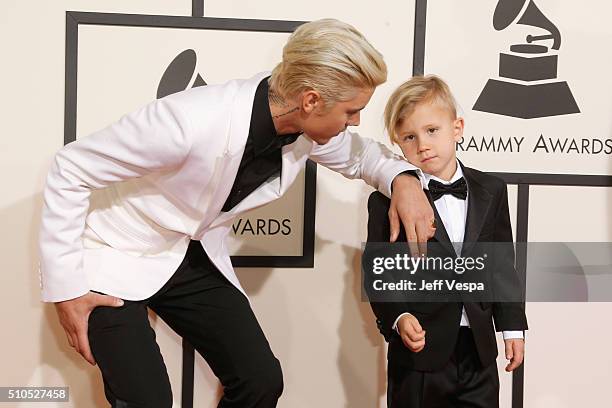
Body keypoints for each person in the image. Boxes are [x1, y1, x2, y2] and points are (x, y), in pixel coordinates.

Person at [38, 19, 436, 407]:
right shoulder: (189, 122)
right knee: (147, 399)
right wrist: (66, 288)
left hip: (188, 252)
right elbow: (71, 167)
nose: (355, 122)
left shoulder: (304, 128)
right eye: (351, 112)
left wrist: (404, 181)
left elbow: (364, 156)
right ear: (311, 100)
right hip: (117, 251)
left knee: (259, 380)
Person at [366, 75, 528, 408]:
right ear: (398, 143)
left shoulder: (492, 190)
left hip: (478, 350)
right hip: (419, 352)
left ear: (457, 128)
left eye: (432, 131)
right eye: (409, 137)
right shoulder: (386, 201)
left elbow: (501, 267)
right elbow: (379, 274)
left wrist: (512, 328)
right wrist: (398, 317)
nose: (422, 144)